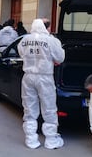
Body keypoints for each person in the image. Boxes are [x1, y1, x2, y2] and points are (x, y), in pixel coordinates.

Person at [17, 18, 65, 149]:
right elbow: (60, 57)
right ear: (46, 27)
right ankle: (51, 140)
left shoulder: (25, 40)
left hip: (28, 76)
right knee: (49, 107)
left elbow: (21, 53)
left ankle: (31, 139)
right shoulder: (51, 40)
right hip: (45, 76)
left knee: (29, 108)